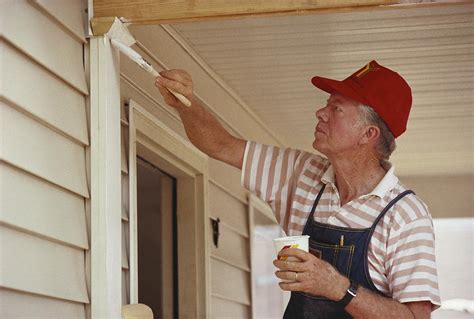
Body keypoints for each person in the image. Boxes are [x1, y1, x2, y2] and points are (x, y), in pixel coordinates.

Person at [155, 60, 441, 318]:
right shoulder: (302, 173)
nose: (321, 113)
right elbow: (221, 145)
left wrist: (339, 287)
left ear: (368, 134)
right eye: (326, 104)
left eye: (336, 108)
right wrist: (186, 103)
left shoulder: (405, 215)